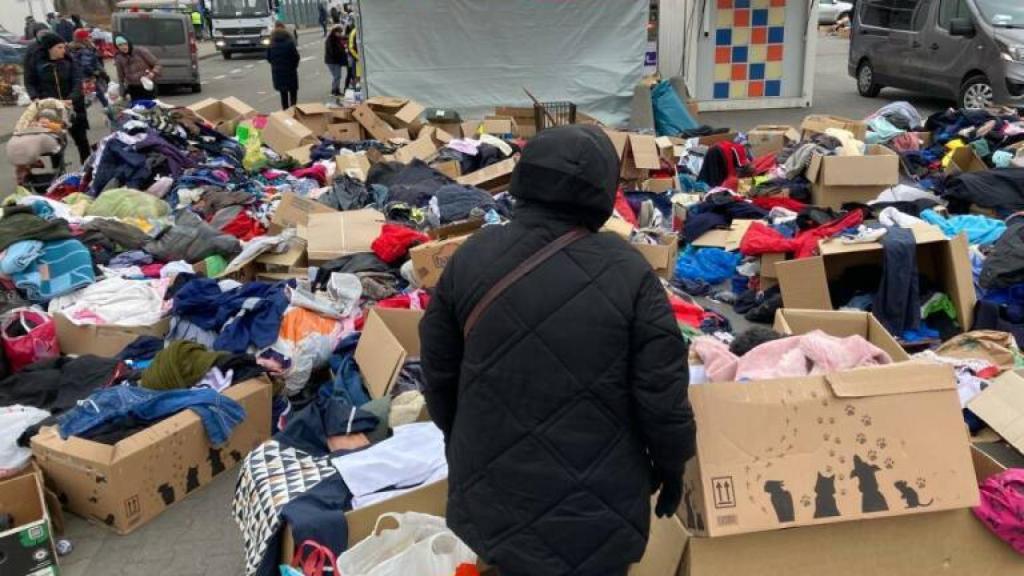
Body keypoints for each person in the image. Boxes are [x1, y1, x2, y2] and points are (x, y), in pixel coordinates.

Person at [419, 125, 697, 576]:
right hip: (599, 510)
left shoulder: (472, 256)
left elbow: (438, 374)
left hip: (495, 498)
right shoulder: (630, 273)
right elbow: (662, 396)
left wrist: (465, 441)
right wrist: (673, 465)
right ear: (602, 192)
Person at [25, 33, 92, 164]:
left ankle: (87, 168)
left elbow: (77, 82)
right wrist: (35, 97)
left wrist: (71, 99)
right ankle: (58, 171)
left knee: (81, 139)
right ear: (50, 49)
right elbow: (29, 82)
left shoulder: (70, 62)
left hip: (72, 107)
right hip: (51, 110)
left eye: (64, 47)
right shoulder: (38, 64)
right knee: (54, 142)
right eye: (59, 47)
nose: (63, 50)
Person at [68, 29, 112, 119]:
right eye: (88, 37)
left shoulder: (71, 48)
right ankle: (112, 117)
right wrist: (97, 73)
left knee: (87, 98)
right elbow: (86, 65)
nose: (90, 38)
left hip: (79, 78)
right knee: (102, 97)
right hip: (89, 78)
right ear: (84, 39)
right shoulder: (84, 50)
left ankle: (76, 117)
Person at [113, 34, 161, 101]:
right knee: (137, 109)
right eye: (120, 45)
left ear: (128, 43)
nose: (123, 47)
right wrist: (121, 95)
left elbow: (157, 64)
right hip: (133, 88)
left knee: (151, 107)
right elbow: (121, 78)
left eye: (124, 44)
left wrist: (153, 73)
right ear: (117, 47)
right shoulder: (119, 58)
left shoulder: (140, 51)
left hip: (147, 85)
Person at [266, 22, 299, 110]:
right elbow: (296, 56)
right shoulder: (289, 42)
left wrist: (275, 65)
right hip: (290, 71)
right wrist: (294, 66)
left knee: (283, 93)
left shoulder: (271, 43)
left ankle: (285, 111)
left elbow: (268, 58)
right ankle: (293, 110)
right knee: (293, 92)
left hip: (278, 72)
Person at [324, 25, 347, 97]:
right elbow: (333, 52)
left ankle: (336, 90)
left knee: (337, 76)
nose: (340, 34)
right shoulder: (330, 40)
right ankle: (334, 90)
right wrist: (342, 50)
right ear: (335, 32)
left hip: (335, 61)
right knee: (336, 76)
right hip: (333, 61)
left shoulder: (336, 38)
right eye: (339, 33)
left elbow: (343, 37)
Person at [346, 23, 360, 91]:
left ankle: (356, 88)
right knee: (356, 75)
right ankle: (355, 89)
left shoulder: (356, 31)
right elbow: (351, 48)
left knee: (357, 74)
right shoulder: (354, 32)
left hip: (356, 57)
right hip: (356, 58)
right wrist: (358, 57)